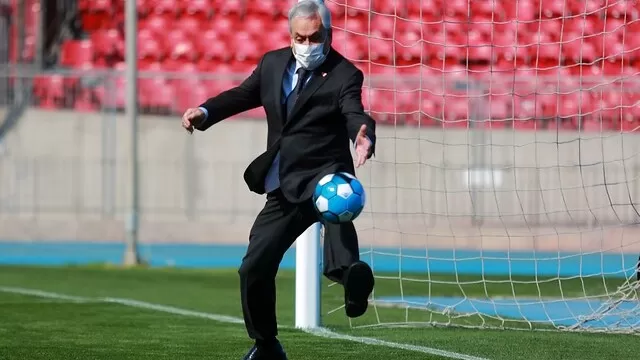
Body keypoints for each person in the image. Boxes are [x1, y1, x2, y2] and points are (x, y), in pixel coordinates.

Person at [181, 1, 376, 359]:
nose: (307, 44)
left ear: (328, 35)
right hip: (284, 182)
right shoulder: (272, 64)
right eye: (300, 37)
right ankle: (267, 344)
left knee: (338, 216)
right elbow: (242, 95)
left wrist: (362, 135)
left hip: (327, 177)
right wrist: (205, 111)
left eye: (314, 37)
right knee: (253, 267)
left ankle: (352, 281)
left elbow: (354, 112)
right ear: (290, 37)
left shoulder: (345, 74)